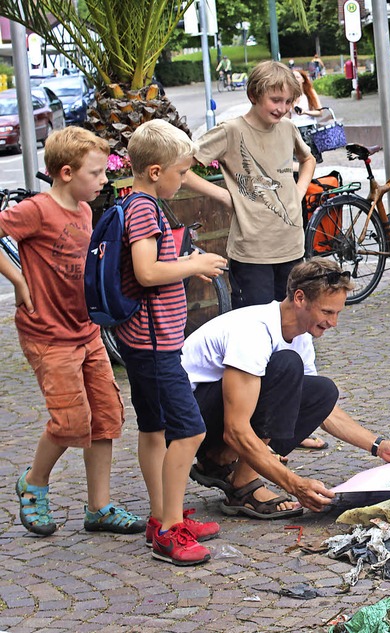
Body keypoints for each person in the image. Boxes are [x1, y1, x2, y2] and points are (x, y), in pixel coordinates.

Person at [182, 258, 390, 519]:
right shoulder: (254, 332)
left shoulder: (301, 335)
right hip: (187, 423)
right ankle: (242, 485)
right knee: (287, 366)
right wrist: (295, 485)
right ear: (299, 298)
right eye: (327, 312)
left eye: (338, 313)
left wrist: (379, 445)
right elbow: (235, 430)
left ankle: (220, 461)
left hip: (217, 419)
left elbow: (321, 410)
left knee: (322, 392)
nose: (334, 322)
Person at [0, 127, 145, 538]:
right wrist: (19, 280)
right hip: (47, 335)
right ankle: (33, 482)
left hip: (85, 330)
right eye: (96, 173)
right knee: (69, 422)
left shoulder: (84, 210)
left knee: (105, 418)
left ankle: (99, 507)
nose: (104, 181)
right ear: (66, 172)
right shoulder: (36, 210)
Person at [116, 119, 227, 566]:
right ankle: (168, 531)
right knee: (190, 430)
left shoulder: (136, 202)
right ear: (157, 170)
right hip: (155, 342)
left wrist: (182, 262)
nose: (184, 182)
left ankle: (162, 513)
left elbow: (153, 263)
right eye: (182, 173)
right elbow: (146, 272)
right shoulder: (144, 208)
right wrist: (190, 263)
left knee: (153, 429)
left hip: (142, 341)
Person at [183, 60, 316, 311]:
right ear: (254, 95)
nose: (282, 109)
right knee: (255, 328)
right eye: (276, 100)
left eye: (288, 102)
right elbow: (181, 167)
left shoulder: (287, 128)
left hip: (292, 246)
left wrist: (299, 192)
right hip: (252, 253)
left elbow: (308, 159)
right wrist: (224, 195)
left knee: (292, 323)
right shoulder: (231, 131)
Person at [291, 68, 324, 165]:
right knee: (295, 161)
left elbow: (320, 112)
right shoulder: (289, 95)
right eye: (293, 77)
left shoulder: (309, 93)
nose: (295, 79)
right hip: (294, 129)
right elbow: (288, 115)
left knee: (310, 160)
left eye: (297, 77)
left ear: (303, 79)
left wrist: (305, 112)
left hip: (308, 129)